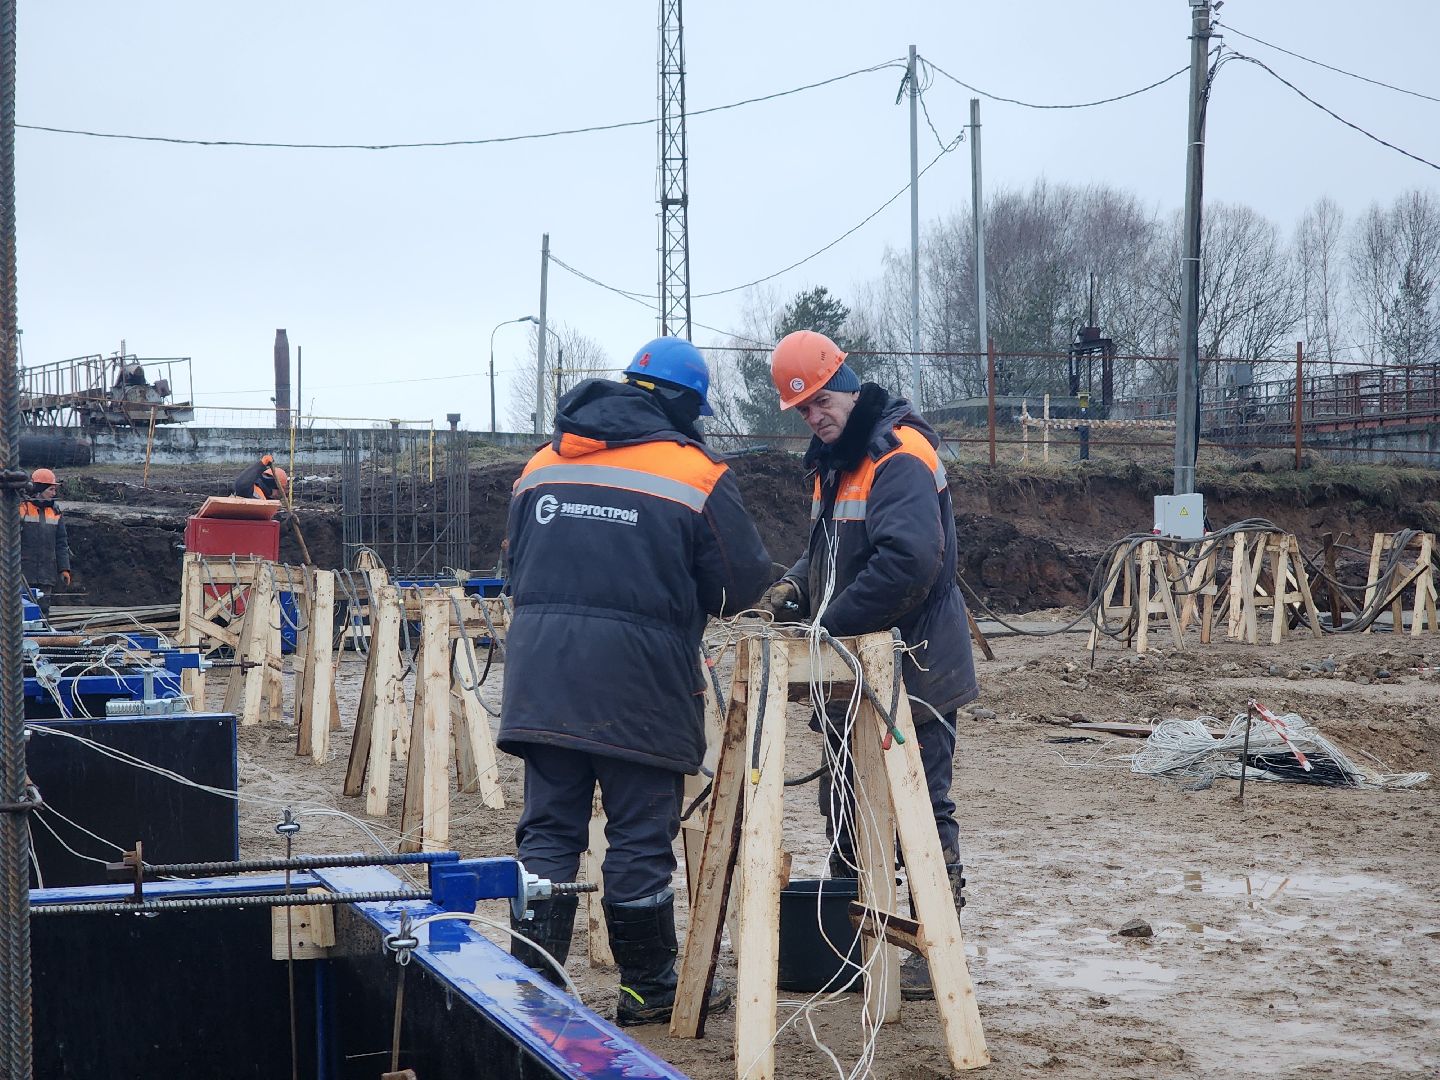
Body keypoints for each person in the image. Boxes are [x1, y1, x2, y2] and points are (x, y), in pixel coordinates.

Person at [499, 336, 772, 1025]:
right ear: (684, 404)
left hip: (544, 679)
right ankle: (647, 989)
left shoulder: (541, 463)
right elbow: (741, 584)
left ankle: (536, 987)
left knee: (549, 832)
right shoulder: (695, 472)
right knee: (640, 838)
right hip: (639, 687)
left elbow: (514, 572)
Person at [756, 329, 978, 1001]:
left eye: (822, 401)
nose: (815, 416)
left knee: (919, 804)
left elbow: (908, 563)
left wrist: (829, 623)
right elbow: (825, 555)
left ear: (847, 382)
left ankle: (936, 935)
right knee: (845, 804)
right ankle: (856, 935)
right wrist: (793, 589)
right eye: (803, 411)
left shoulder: (899, 454)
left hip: (915, 667)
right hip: (849, 671)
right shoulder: (835, 462)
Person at [20, 468, 72, 615]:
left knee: (43, 610)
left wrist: (64, 569)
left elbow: (61, 543)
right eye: (51, 489)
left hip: (46, 573)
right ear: (40, 489)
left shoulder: (55, 512)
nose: (54, 493)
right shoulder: (22, 509)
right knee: (24, 610)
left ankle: (43, 638)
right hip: (24, 573)